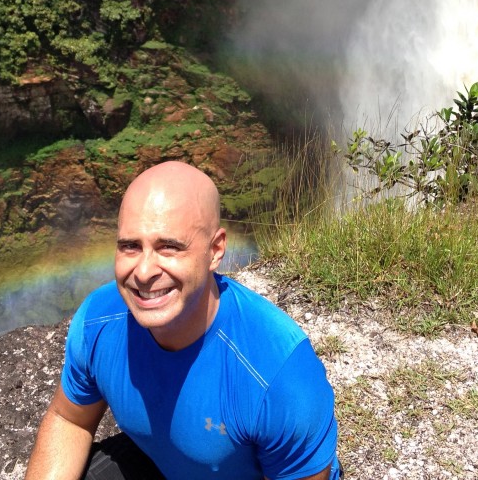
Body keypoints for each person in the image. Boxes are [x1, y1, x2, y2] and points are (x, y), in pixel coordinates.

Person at [25, 161, 341, 480]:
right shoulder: (98, 322)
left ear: (215, 251)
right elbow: (70, 420)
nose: (145, 272)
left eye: (169, 247)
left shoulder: (278, 375)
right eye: (131, 246)